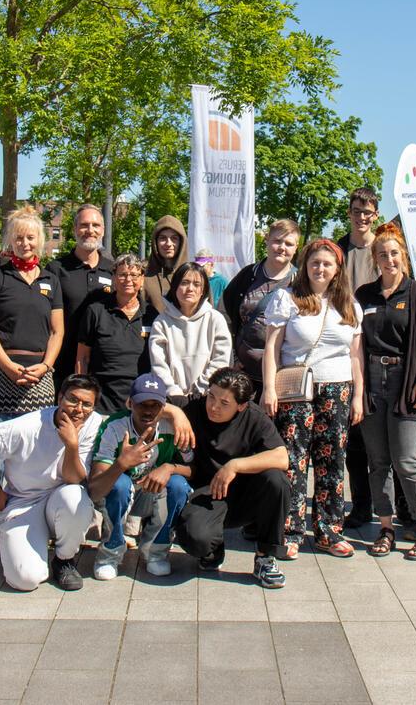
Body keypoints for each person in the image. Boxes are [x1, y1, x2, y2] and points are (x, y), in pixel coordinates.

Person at [262, 238, 364, 558]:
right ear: (305, 266)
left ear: (337, 270)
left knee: (332, 461)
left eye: (327, 264)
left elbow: (355, 356)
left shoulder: (348, 304)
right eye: (314, 263)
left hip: (337, 388)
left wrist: (359, 395)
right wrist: (268, 388)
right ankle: (289, 530)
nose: (320, 269)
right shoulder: (287, 298)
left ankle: (328, 530)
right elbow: (271, 349)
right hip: (296, 388)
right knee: (293, 461)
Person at [355, 224, 416, 560]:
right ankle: (386, 527)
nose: (388, 259)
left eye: (394, 253)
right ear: (375, 259)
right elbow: (355, 344)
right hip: (373, 380)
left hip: (407, 381)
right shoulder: (365, 296)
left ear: (403, 255)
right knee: (378, 462)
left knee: (406, 460)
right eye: (382, 254)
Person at [0, 375, 104, 592]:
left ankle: (64, 559)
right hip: (23, 501)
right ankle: (2, 535)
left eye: (87, 404)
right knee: (25, 580)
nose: (78, 409)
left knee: (76, 497)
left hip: (60, 496)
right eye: (72, 400)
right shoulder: (24, 427)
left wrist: (71, 445)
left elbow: (74, 478)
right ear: (59, 397)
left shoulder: (92, 423)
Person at [174, 368, 291, 589]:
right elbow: (160, 403)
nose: (214, 406)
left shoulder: (254, 417)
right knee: (194, 538)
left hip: (246, 495)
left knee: (277, 480)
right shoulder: (195, 407)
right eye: (211, 397)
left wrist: (235, 465)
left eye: (224, 403)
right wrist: (176, 414)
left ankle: (265, 557)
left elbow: (282, 457)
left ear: (241, 405)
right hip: (209, 494)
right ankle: (212, 549)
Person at [87, 373, 193, 579]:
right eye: (142, 404)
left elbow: (195, 469)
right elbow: (95, 488)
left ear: (164, 407)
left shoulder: (172, 427)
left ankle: (156, 551)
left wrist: (170, 467)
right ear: (130, 403)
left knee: (179, 485)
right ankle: (110, 552)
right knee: (119, 483)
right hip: (120, 494)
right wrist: (121, 464)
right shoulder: (114, 427)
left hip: (151, 492)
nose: (148, 411)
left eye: (155, 405)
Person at [0, 206, 64, 429]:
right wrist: (8, 367)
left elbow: (57, 331)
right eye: (18, 238)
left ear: (39, 239)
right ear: (10, 240)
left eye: (30, 237)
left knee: (33, 456)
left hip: (38, 379)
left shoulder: (51, 280)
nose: (25, 243)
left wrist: (46, 366)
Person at [337, 187, 384, 529]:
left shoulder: (385, 249)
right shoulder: (338, 249)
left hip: (380, 346)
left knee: (382, 436)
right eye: (357, 210)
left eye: (368, 212)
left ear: (376, 216)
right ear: (350, 212)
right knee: (353, 437)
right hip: (343, 346)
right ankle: (361, 503)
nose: (362, 217)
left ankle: (391, 503)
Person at [221, 219, 299, 390]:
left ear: (296, 248)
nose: (282, 247)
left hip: (282, 375)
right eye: (277, 241)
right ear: (267, 241)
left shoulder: (300, 283)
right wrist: (232, 357)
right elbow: (224, 314)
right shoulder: (248, 275)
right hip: (244, 375)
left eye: (288, 243)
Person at [47, 205, 115, 391]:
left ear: (103, 230)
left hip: (104, 369)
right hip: (62, 367)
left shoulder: (114, 270)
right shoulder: (56, 270)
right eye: (84, 225)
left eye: (95, 225)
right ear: (75, 229)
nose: (90, 231)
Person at [76, 253, 152, 414]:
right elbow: (82, 358)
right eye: (122, 274)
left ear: (142, 279)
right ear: (114, 278)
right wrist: (82, 391)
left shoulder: (152, 315)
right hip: (102, 402)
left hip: (141, 401)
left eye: (134, 275)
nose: (128, 280)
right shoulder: (96, 311)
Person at [149, 261, 232, 403]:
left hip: (208, 398)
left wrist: (199, 390)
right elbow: (159, 365)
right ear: (175, 287)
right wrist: (175, 393)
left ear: (203, 290)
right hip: (172, 399)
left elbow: (221, 360)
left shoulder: (215, 319)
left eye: (196, 284)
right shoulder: (161, 322)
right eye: (184, 282)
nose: (190, 289)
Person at [142, 214, 188, 319]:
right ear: (155, 242)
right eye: (163, 238)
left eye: (174, 238)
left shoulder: (194, 276)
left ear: (181, 242)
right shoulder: (143, 277)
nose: (168, 243)